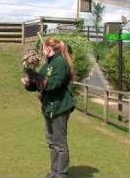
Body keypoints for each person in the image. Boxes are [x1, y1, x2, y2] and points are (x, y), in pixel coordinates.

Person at [21, 37, 75, 178]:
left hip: (60, 107)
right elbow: (39, 84)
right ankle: (54, 172)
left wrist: (35, 75)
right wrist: (28, 82)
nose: (42, 51)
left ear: (50, 48)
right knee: (52, 143)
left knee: (60, 144)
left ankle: (61, 174)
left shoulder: (60, 63)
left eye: (44, 48)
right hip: (48, 108)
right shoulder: (48, 64)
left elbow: (52, 84)